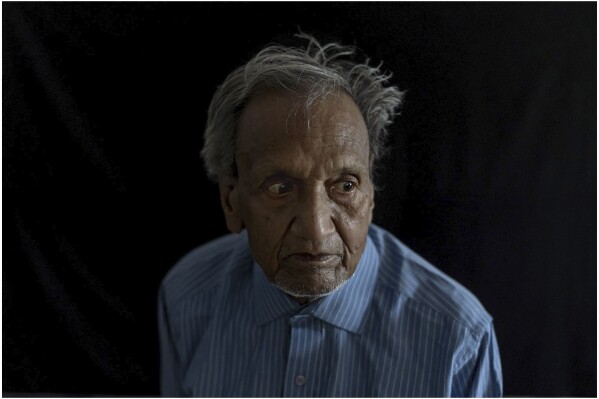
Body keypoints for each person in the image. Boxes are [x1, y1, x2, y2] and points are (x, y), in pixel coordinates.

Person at [157, 32, 503, 397]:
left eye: (346, 186)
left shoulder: (457, 339)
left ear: (370, 195)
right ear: (231, 201)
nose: (317, 229)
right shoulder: (187, 298)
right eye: (280, 188)